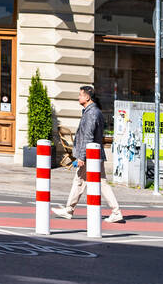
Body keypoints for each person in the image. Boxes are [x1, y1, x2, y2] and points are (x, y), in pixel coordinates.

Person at [52, 85, 124, 223]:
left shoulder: (91, 113)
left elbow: (88, 136)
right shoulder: (90, 111)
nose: (78, 97)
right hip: (92, 155)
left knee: (91, 182)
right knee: (85, 181)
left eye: (80, 95)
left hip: (90, 156)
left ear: (87, 97)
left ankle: (115, 211)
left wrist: (81, 157)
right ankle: (69, 210)